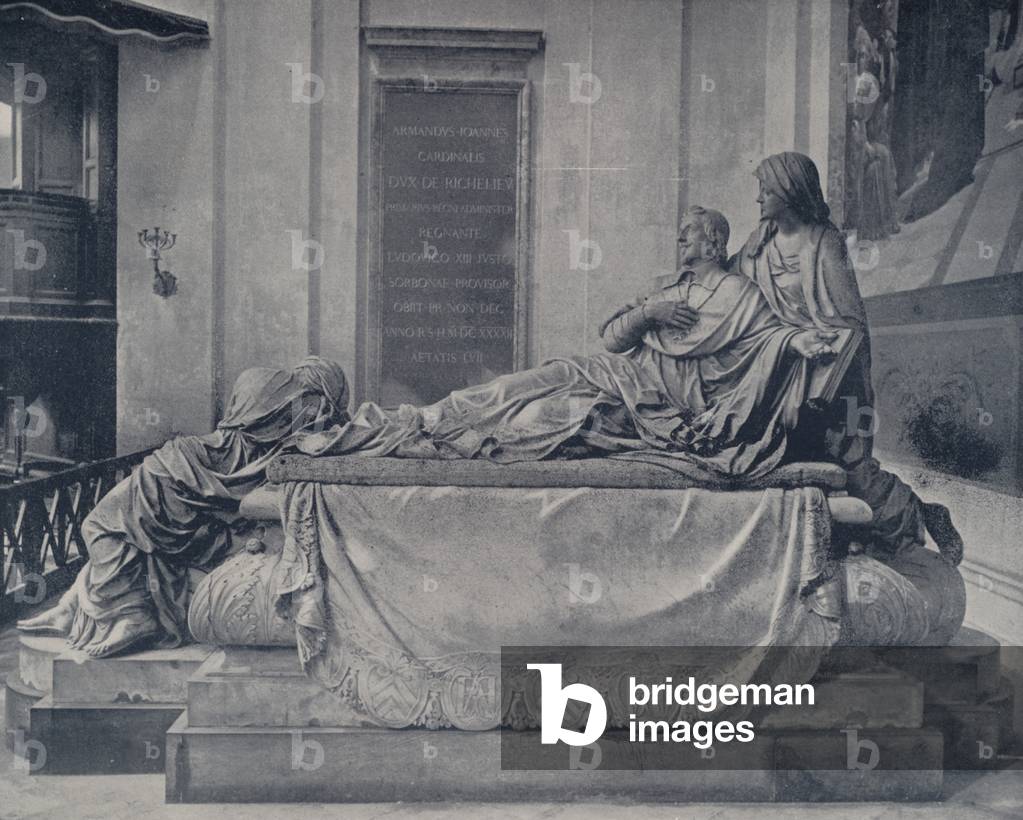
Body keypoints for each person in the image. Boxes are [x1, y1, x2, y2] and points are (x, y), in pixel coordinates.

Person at [296, 206, 834, 479]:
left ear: (714, 241)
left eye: (689, 233)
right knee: (519, 383)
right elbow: (614, 339)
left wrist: (798, 344)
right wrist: (652, 312)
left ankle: (440, 440)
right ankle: (416, 421)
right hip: (618, 374)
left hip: (658, 407)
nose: (680, 240)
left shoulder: (737, 291)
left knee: (539, 419)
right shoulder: (666, 287)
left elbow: (773, 339)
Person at [18, 357, 349, 657]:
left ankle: (128, 612)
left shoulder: (301, 404)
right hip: (203, 465)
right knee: (112, 522)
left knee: (104, 523)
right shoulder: (296, 400)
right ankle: (79, 605)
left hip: (204, 471)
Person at [729, 151, 963, 565]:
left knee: (850, 469)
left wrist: (814, 343)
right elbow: (730, 292)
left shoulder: (823, 241)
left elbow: (851, 323)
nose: (759, 199)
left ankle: (919, 514)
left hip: (826, 377)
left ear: (788, 189)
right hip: (772, 372)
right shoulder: (756, 246)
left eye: (765, 189)